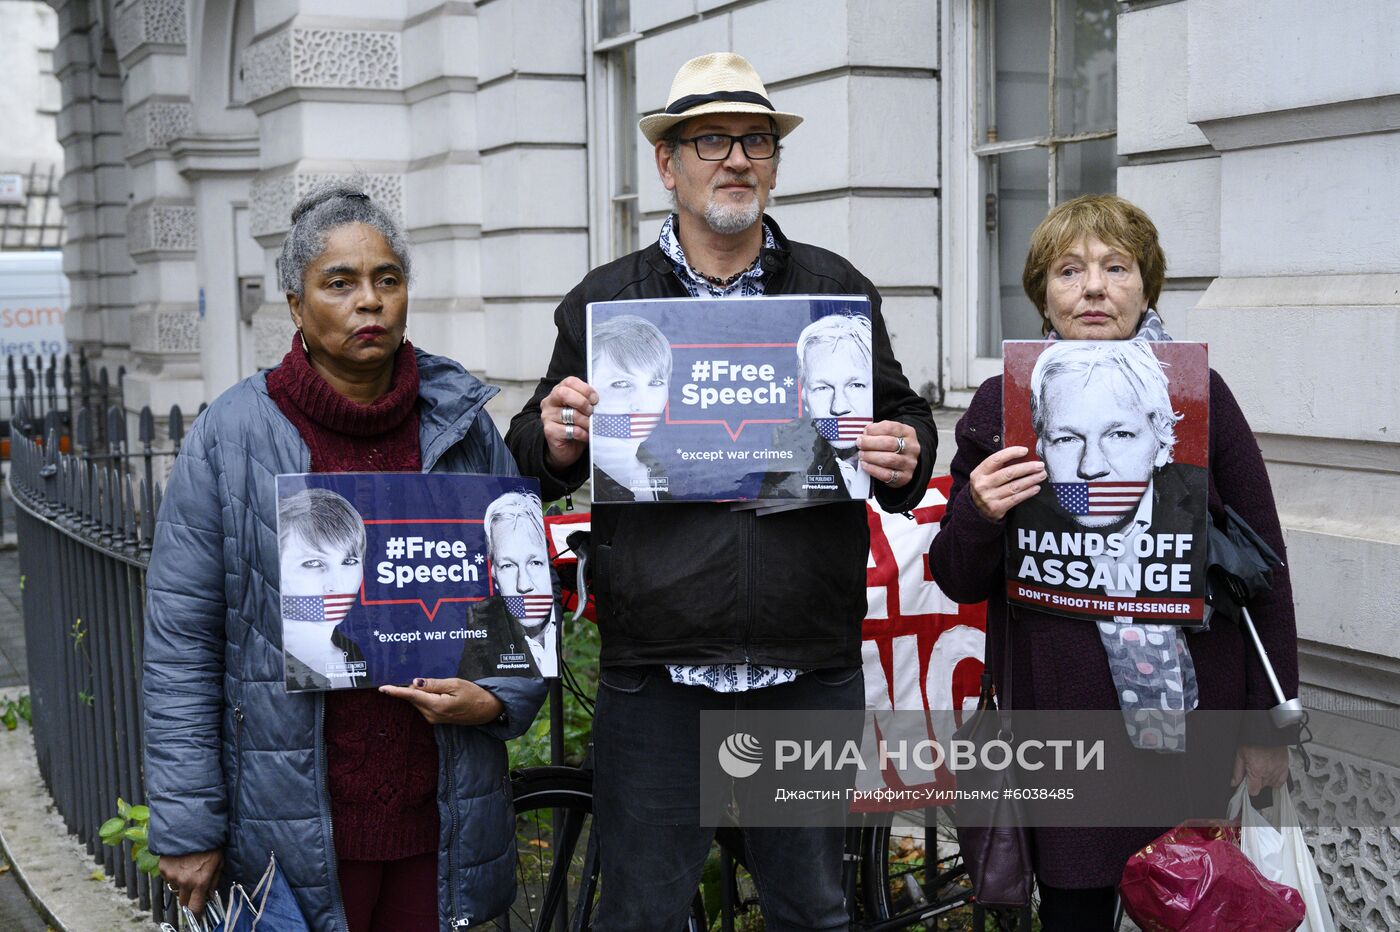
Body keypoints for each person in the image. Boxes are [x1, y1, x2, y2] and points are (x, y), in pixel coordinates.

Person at [507, 53, 938, 930]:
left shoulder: (835, 292)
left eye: (756, 140)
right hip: (658, 673)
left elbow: (899, 425)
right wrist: (552, 440)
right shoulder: (607, 303)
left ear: (775, 165)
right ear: (669, 165)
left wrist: (907, 450)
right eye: (710, 140)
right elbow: (532, 450)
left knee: (812, 912)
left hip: (802, 662)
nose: (736, 159)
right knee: (643, 914)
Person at [143, 185, 546, 932]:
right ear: (296, 306)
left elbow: (515, 596)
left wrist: (495, 698)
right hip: (289, 832)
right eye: (341, 283)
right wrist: (187, 823)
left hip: (441, 817)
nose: (371, 302)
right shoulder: (230, 437)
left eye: (387, 280)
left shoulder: (462, 426)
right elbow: (181, 645)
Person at [929, 193, 1299, 930]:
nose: (1093, 287)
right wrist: (978, 508)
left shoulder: (1200, 397)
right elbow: (955, 575)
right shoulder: (1002, 406)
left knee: (1195, 906)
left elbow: (1267, 565)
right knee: (1076, 914)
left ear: (1145, 284)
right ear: (1043, 293)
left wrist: (1265, 727)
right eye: (1069, 270)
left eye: (1115, 267)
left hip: (1192, 722)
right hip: (1064, 729)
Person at [277, 487, 371, 690]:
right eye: (313, 563)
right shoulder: (267, 659)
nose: (336, 585)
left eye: (349, 561)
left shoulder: (354, 653)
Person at [589, 314, 672, 501]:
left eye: (656, 382)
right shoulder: (584, 471)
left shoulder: (663, 470)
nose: (642, 404)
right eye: (621, 384)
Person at [483, 490, 557, 676]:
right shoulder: (480, 647)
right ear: (494, 573)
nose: (523, 585)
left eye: (535, 563)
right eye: (508, 566)